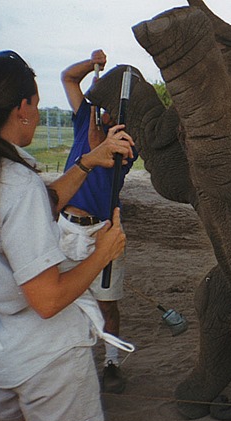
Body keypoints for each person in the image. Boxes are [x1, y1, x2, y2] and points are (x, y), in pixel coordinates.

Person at [0, 51, 134, 421]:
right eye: (38, 104)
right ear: (22, 108)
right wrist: (102, 253)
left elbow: (39, 201)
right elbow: (47, 299)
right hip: (46, 360)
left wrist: (85, 163)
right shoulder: (18, 183)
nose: (40, 114)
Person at [60, 49, 137, 394]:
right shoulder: (84, 120)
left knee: (107, 302)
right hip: (66, 226)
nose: (106, 113)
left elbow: (98, 148)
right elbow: (68, 77)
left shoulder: (123, 145)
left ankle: (111, 363)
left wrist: (94, 106)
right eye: (103, 108)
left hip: (101, 230)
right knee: (63, 296)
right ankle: (70, 362)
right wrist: (93, 66)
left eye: (111, 111)